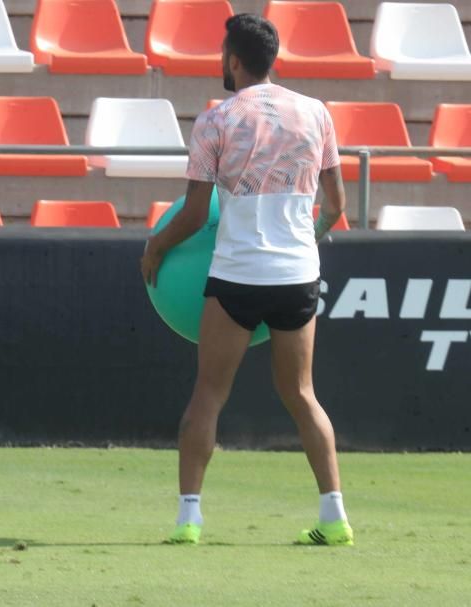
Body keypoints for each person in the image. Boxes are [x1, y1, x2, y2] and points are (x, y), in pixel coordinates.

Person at [141, 14, 352, 546]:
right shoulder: (316, 113)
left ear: (234, 59)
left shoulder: (217, 120)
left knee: (209, 395)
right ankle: (335, 518)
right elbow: (337, 205)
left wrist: (155, 246)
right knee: (302, 394)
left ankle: (189, 520)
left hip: (238, 276)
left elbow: (191, 217)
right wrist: (308, 238)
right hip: (298, 275)